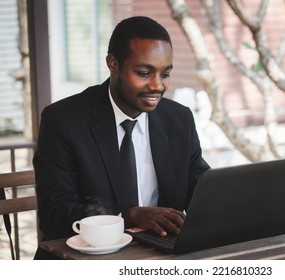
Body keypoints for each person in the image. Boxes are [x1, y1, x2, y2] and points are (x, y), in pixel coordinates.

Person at [33, 16, 210, 259]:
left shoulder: (178, 119)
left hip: (159, 254)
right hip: (86, 259)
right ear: (113, 64)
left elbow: (201, 191)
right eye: (145, 73)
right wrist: (129, 215)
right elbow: (55, 214)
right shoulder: (63, 121)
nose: (157, 86)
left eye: (165, 74)